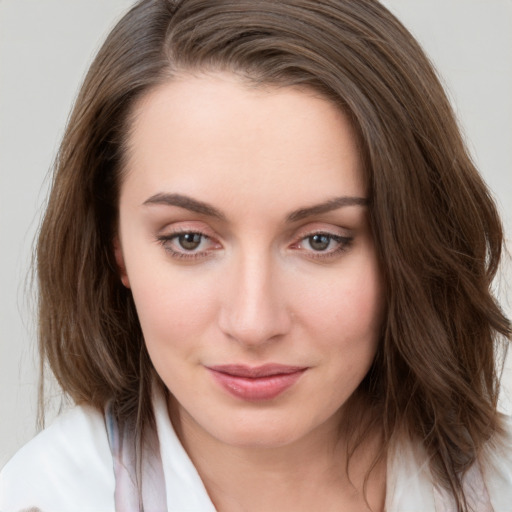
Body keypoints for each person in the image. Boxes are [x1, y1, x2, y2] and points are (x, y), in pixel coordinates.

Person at [1, 0, 511, 510]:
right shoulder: (42, 497)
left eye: (321, 240)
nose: (253, 323)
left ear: (410, 245)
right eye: (189, 239)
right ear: (116, 249)